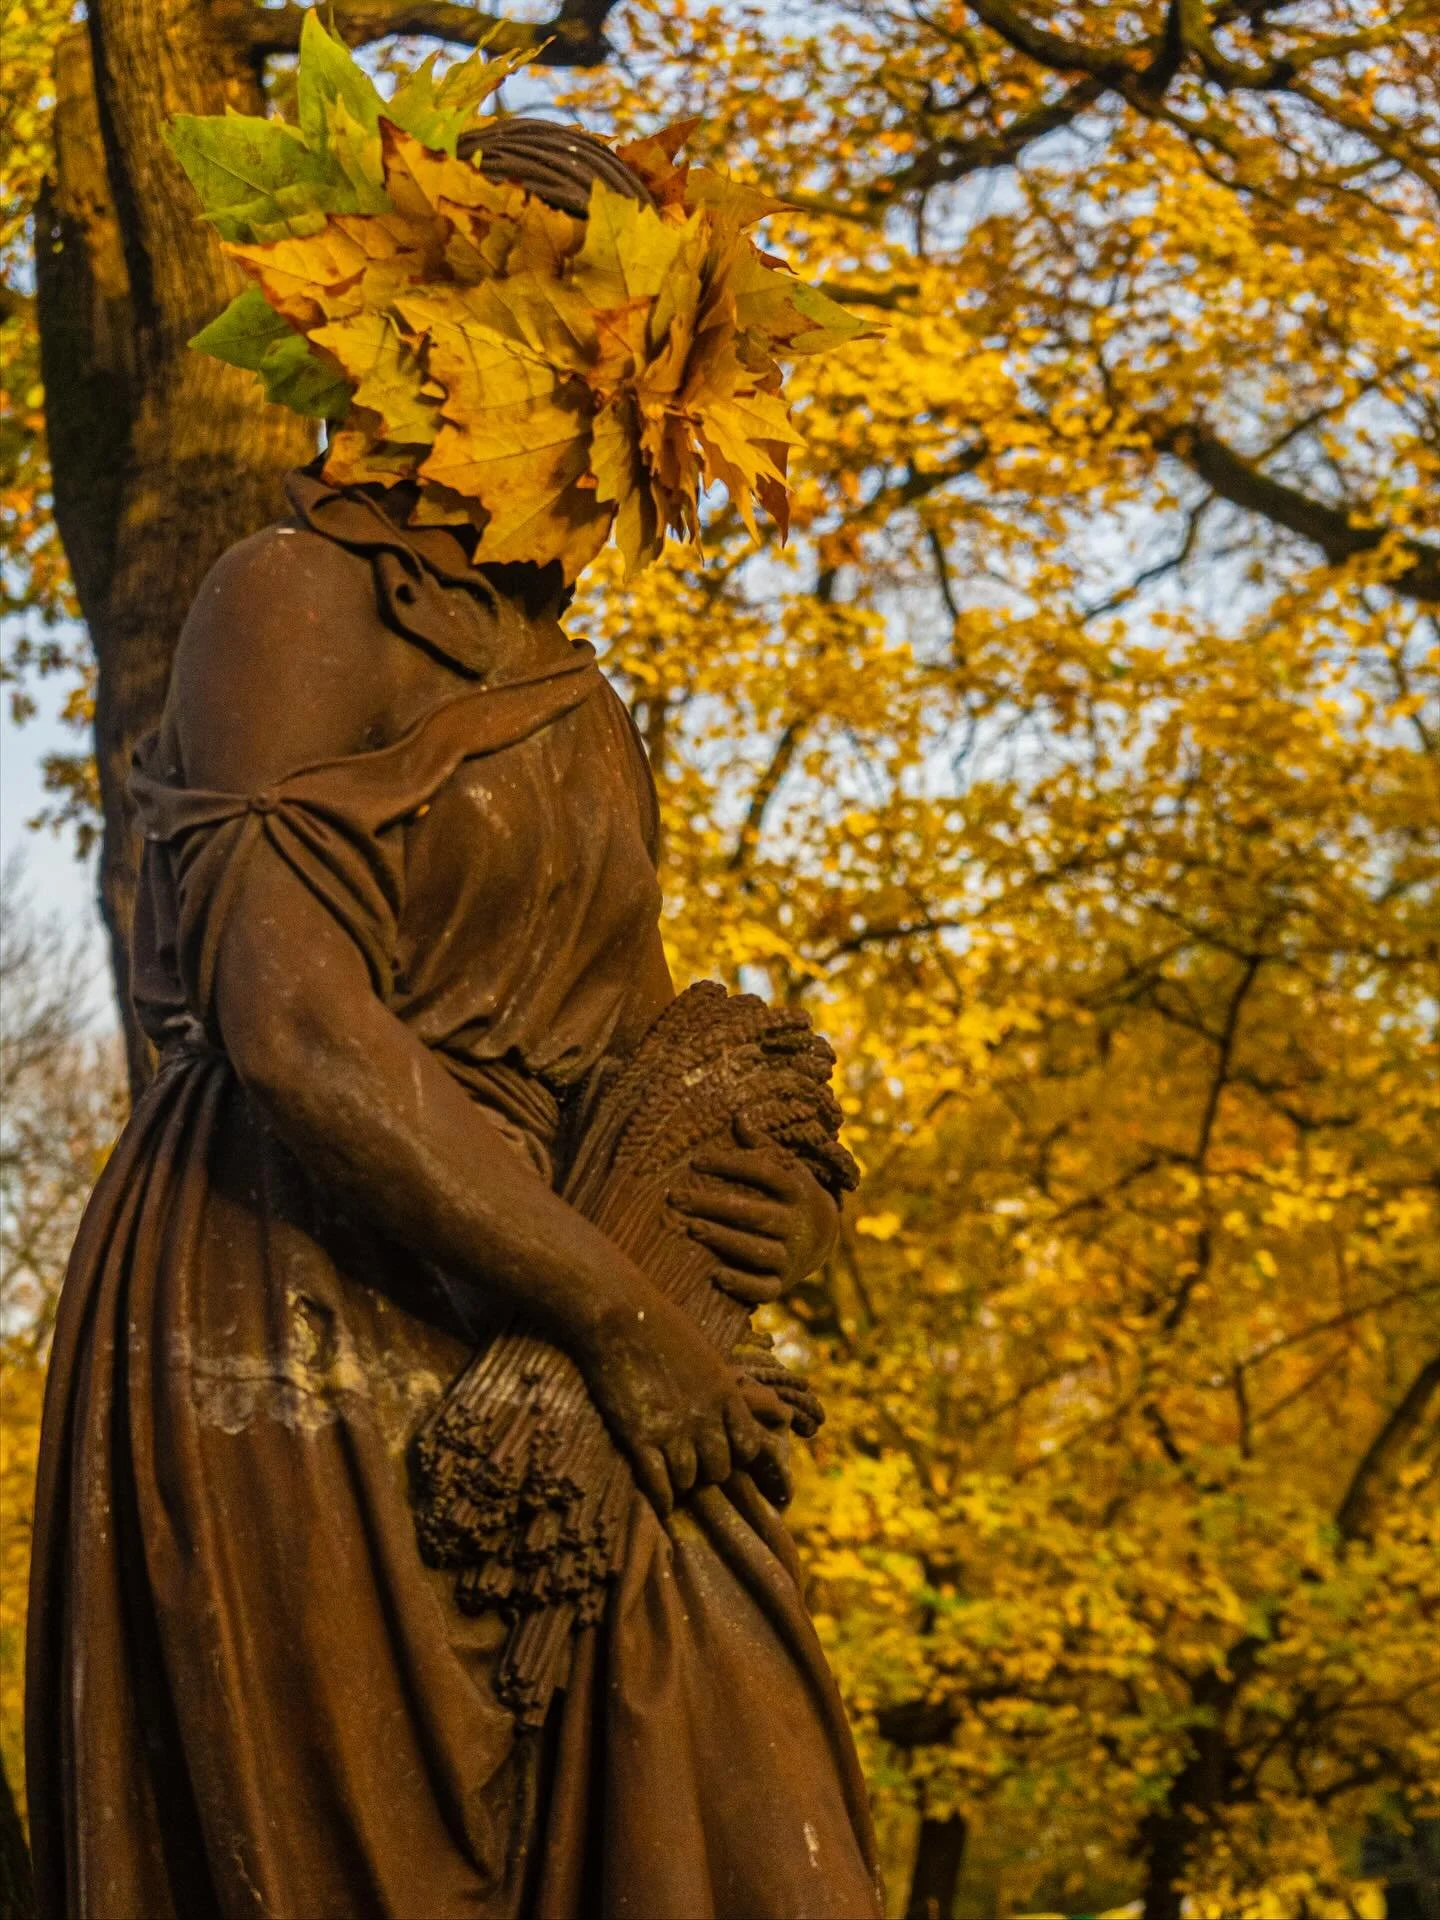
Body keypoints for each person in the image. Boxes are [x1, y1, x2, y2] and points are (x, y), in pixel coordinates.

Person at [25, 122, 882, 1920]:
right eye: (602, 365)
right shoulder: (292, 597)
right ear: (447, 347)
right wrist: (617, 1313)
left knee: (755, 1769)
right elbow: (292, 1024)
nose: (633, 431)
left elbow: (631, 1043)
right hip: (300, 1308)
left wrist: (769, 1207)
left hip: (557, 1316)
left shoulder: (580, 705)